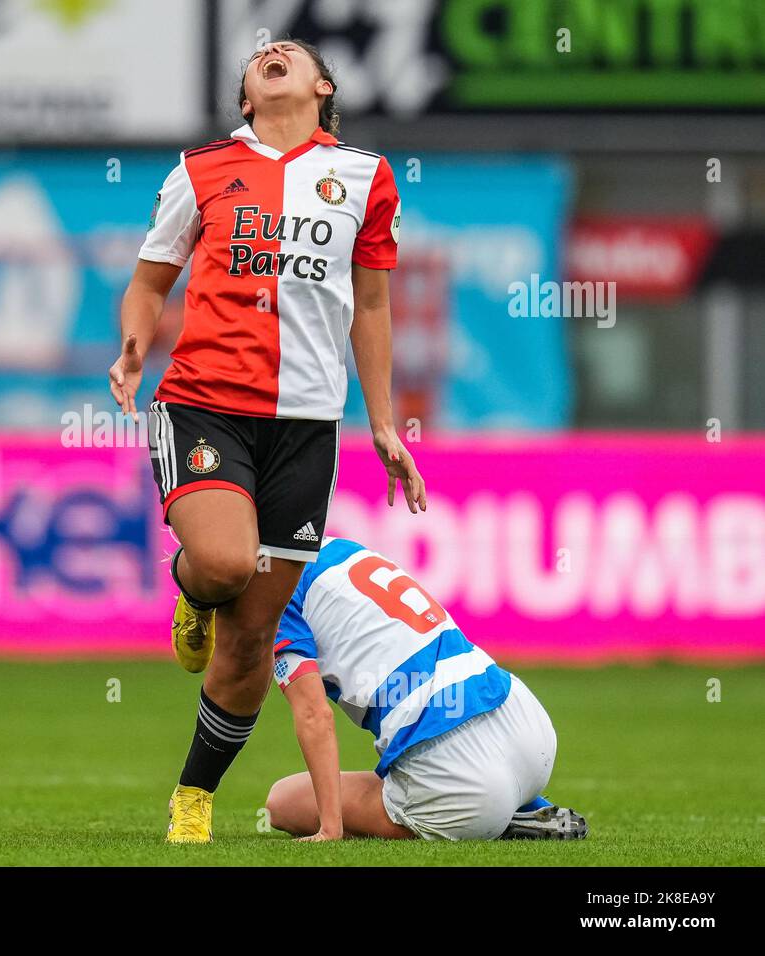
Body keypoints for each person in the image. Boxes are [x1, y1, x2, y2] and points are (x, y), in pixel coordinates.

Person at [108, 38, 425, 843]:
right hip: (204, 405)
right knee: (222, 562)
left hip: (308, 426)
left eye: (294, 53)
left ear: (322, 86)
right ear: (247, 100)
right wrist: (134, 345)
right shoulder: (201, 170)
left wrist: (383, 421)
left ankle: (193, 798)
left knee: (251, 638)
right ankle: (193, 588)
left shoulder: (365, 177)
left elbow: (375, 306)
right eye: (260, 57)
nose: (274, 51)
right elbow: (150, 281)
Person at [264, 537, 589, 841]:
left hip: (462, 779)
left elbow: (313, 714)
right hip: (526, 725)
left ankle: (499, 820)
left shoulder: (272, 585)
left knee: (282, 803)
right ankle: (526, 806)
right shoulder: (340, 547)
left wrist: (330, 828)